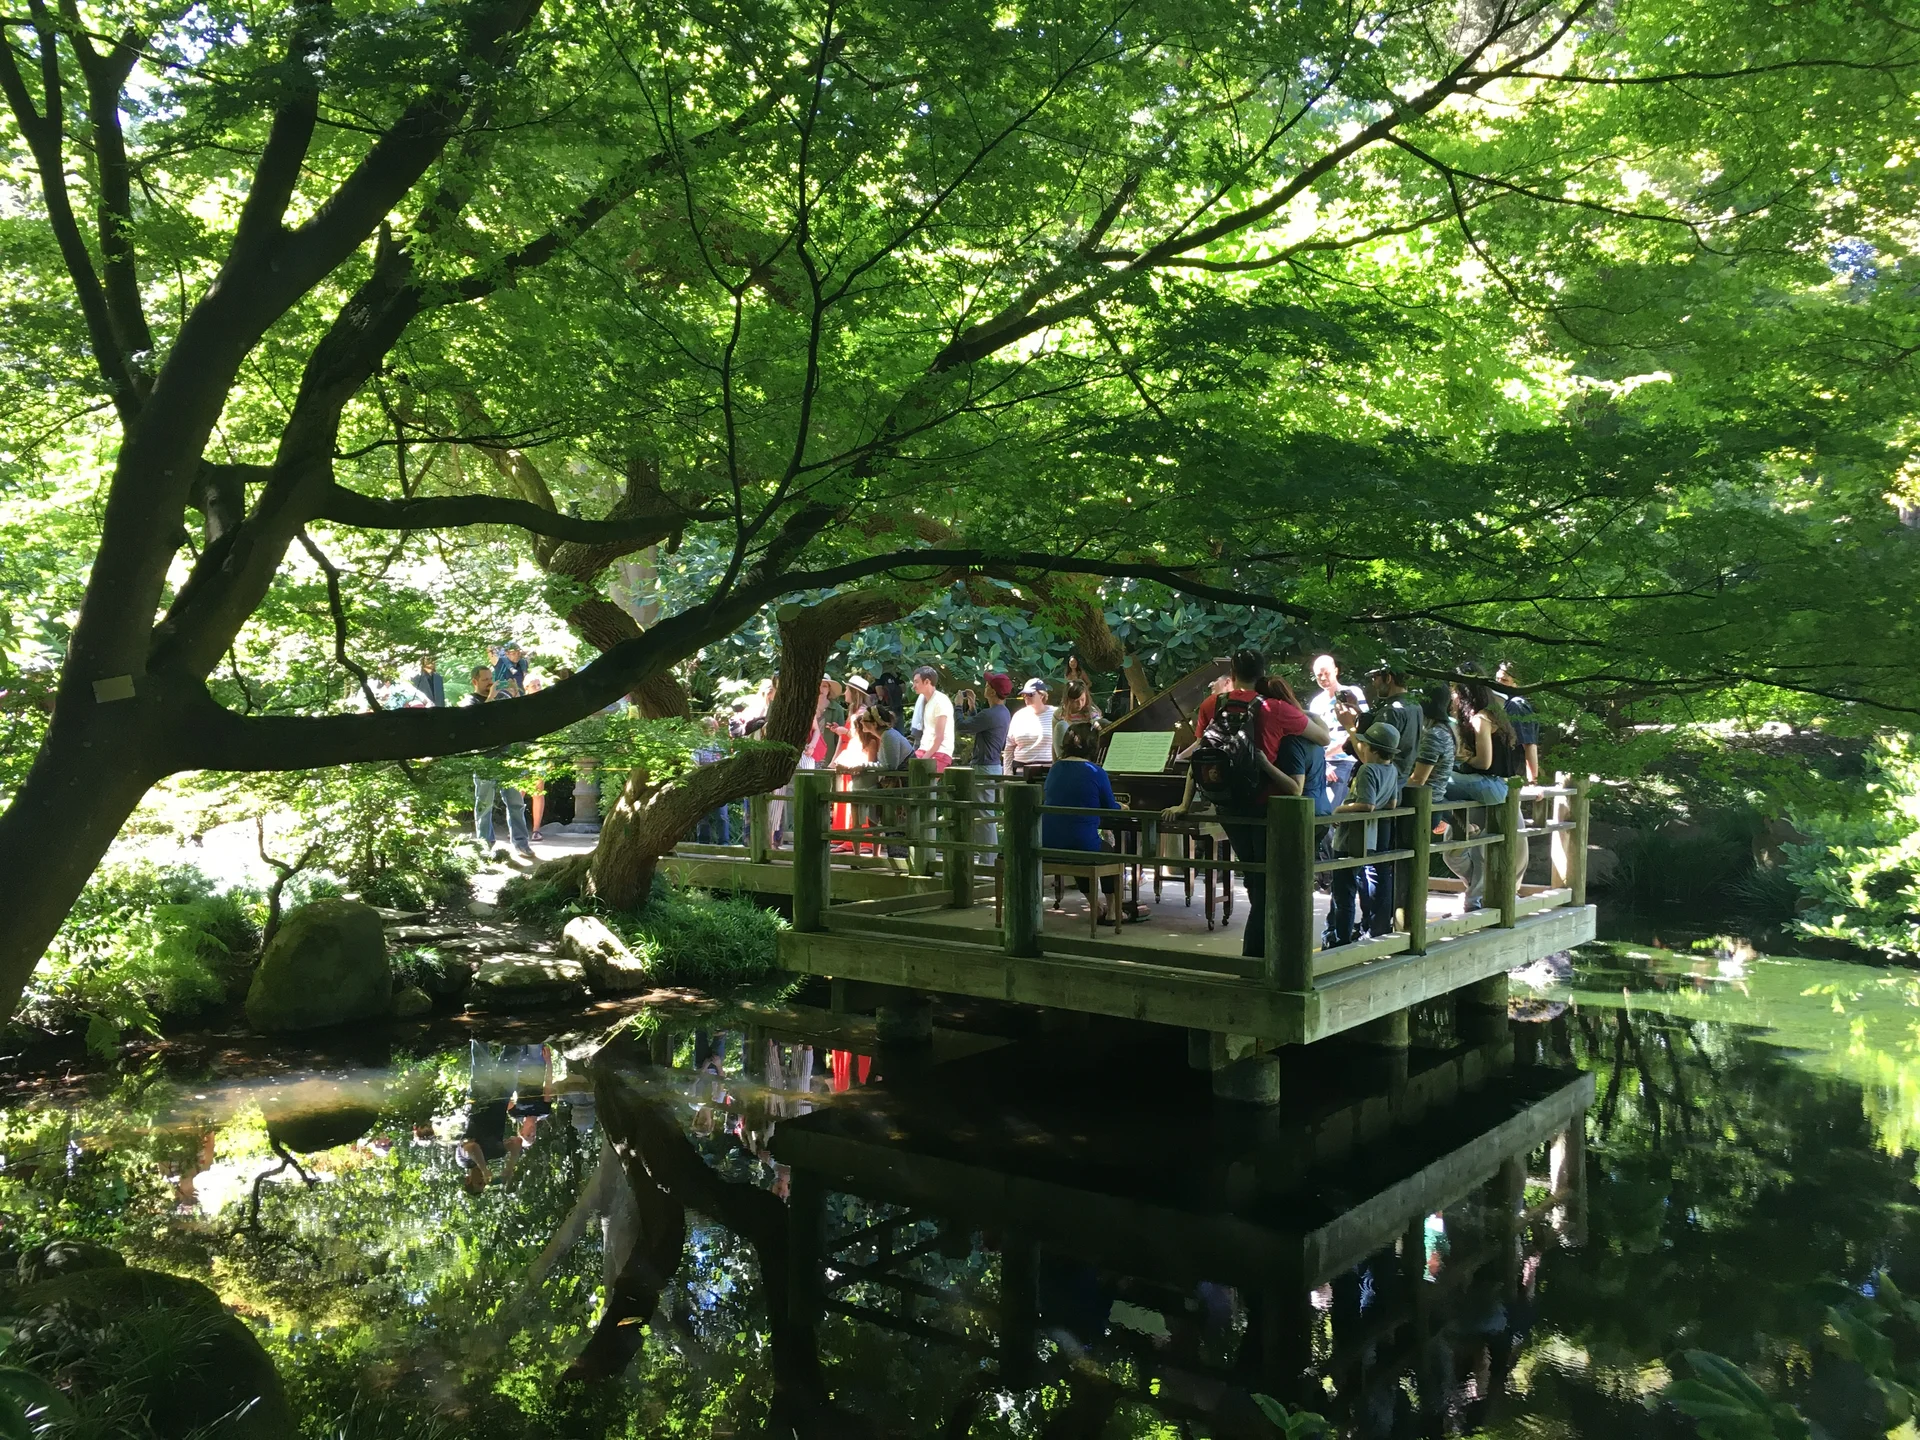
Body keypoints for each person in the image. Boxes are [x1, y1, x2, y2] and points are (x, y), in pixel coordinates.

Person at [1160, 649, 1326, 960]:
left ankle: (1260, 954)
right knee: (1266, 880)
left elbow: (1202, 753)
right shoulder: (1275, 707)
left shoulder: (1212, 704)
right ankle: (1258, 956)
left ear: (1232, 673)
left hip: (1228, 805)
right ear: (1264, 673)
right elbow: (1322, 738)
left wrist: (1184, 804)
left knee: (1255, 877)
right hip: (1266, 804)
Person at [1041, 722, 1146, 924]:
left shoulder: (1055, 769)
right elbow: (1110, 808)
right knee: (1107, 854)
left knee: (1082, 847)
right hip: (1080, 844)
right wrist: (1122, 807)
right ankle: (1115, 911)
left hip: (1049, 841)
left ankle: (1096, 907)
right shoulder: (1096, 771)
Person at [1326, 722, 1404, 946]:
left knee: (1343, 893)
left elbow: (1367, 805)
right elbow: (1392, 803)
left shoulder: (1368, 769)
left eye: (1367, 746)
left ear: (1375, 750)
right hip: (1369, 837)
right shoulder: (1392, 770)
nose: (1363, 749)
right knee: (1351, 886)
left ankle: (1340, 940)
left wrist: (1340, 809)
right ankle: (1345, 935)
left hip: (1350, 838)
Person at [465, 667, 533, 858]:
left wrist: (515, 693)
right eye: (485, 679)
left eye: (491, 678)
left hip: (507, 757)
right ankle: (485, 845)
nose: (489, 682)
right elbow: (477, 720)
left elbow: (517, 716)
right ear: (475, 682)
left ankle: (521, 844)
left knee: (516, 803)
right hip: (485, 760)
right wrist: (491, 697)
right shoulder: (471, 701)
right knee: (484, 804)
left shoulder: (502, 696)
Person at [956, 674, 1013, 848]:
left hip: (984, 767)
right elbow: (978, 728)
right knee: (984, 814)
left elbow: (963, 727)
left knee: (984, 817)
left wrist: (958, 706)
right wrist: (972, 707)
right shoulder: (1001, 712)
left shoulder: (991, 714)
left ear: (993, 692)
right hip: (991, 765)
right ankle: (987, 858)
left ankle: (988, 861)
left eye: (988, 685)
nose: (985, 687)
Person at [1266, 675, 1330, 817]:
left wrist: (1264, 763)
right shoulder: (1315, 735)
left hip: (1305, 815)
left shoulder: (1291, 742)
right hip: (1322, 809)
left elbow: (1296, 788)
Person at [1309, 654, 1366, 808]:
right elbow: (1314, 737)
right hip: (1323, 763)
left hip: (1346, 760)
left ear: (1336, 670)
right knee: (1320, 809)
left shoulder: (1352, 693)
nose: (1322, 678)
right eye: (1318, 675)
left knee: (1332, 810)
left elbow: (1363, 725)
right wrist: (1323, 762)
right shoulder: (1316, 702)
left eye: (1326, 673)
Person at [1495, 662, 1541, 782]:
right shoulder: (1500, 703)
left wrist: (1533, 782)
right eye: (1497, 679)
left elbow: (1529, 744)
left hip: (1513, 775)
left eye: (1504, 680)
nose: (1499, 683)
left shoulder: (1516, 705)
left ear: (1516, 684)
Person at [694, 715, 731, 845]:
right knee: (702, 817)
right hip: (702, 786)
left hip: (719, 785)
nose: (708, 732)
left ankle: (724, 843)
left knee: (722, 816)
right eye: (705, 729)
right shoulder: (697, 747)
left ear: (715, 730)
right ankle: (703, 843)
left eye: (711, 729)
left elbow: (727, 764)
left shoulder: (721, 747)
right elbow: (694, 764)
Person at [911, 666, 955, 772]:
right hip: (924, 750)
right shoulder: (925, 700)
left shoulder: (940, 701)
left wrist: (924, 759)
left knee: (924, 784)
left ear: (927, 682)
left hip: (941, 752)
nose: (913, 686)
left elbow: (939, 737)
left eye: (916, 682)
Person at [1007, 678, 1055, 770]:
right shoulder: (1019, 715)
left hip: (1049, 770)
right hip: (1021, 769)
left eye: (1030, 694)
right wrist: (1007, 773)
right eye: (1024, 695)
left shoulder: (1055, 714)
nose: (1026, 697)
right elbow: (1009, 747)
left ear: (1041, 695)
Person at [1051, 678, 1104, 758]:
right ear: (1067, 700)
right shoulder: (1059, 714)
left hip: (1086, 749)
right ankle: (1063, 761)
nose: (1080, 704)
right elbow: (1055, 741)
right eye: (1075, 701)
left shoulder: (1091, 712)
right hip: (1067, 749)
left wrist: (1097, 724)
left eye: (1082, 700)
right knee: (1061, 725)